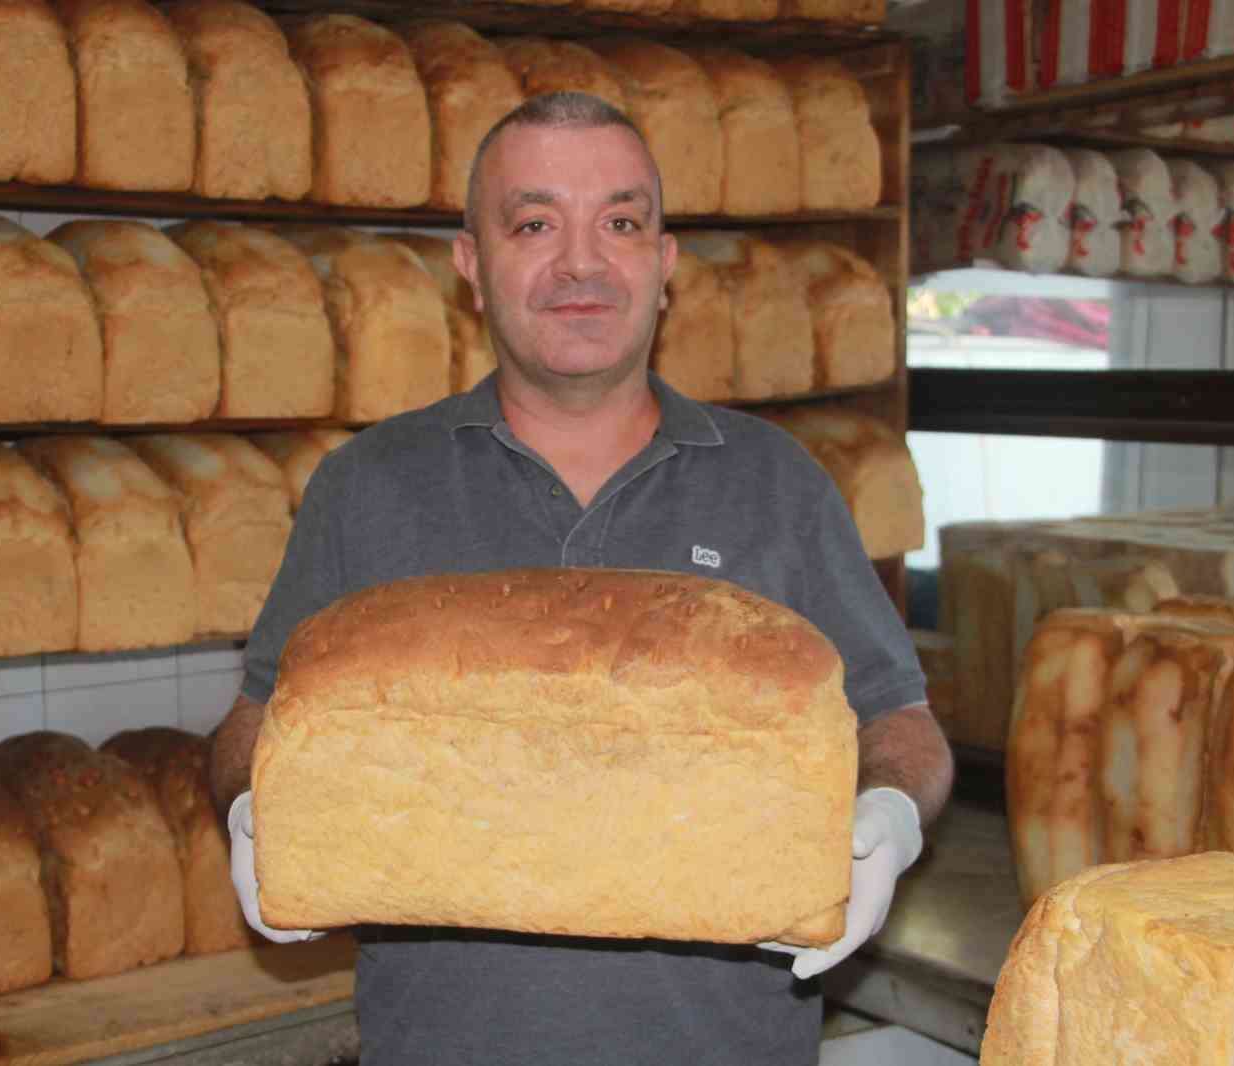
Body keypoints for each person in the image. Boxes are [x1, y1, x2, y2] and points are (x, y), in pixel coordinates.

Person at [210, 91, 954, 1066]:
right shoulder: (368, 486)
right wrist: (249, 805)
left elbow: (900, 722)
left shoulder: (778, 483)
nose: (580, 262)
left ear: (663, 261)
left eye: (619, 222)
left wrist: (889, 815)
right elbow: (258, 719)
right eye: (533, 223)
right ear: (471, 263)